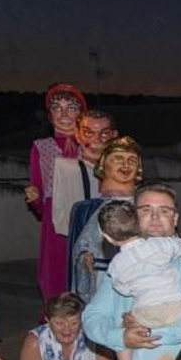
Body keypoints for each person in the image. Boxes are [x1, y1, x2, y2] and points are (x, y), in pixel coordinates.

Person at [83, 184, 181, 360]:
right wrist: (121, 337)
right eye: (146, 210)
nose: (155, 217)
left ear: (175, 219)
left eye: (164, 211)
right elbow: (92, 317)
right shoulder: (122, 266)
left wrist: (152, 335)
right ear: (132, 218)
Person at [100, 200, 181, 360]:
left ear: (107, 237)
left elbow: (124, 289)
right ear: (139, 225)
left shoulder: (116, 265)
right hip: (179, 305)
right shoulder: (160, 244)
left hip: (147, 311)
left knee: (122, 330)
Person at [26, 83, 87, 299]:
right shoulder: (41, 147)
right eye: (57, 108)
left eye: (70, 108)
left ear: (81, 114)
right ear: (50, 116)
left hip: (87, 213)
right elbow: (39, 198)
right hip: (55, 217)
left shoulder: (93, 147)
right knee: (56, 272)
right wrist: (34, 197)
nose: (64, 114)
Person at [68, 135, 143, 298]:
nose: (126, 165)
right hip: (101, 282)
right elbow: (79, 250)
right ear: (103, 164)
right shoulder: (85, 210)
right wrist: (84, 259)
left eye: (132, 160)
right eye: (118, 158)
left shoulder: (148, 206)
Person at [53, 109, 117, 277]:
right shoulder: (66, 169)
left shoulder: (124, 171)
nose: (95, 140)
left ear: (113, 136)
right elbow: (61, 219)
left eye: (103, 134)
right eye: (88, 133)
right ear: (77, 134)